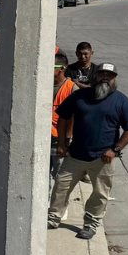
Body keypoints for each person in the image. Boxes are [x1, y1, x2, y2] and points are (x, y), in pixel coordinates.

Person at [48, 63, 128, 239]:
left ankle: (90, 224)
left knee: (100, 194)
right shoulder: (79, 96)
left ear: (114, 79)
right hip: (75, 154)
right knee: (61, 186)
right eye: (102, 74)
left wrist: (115, 149)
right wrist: (61, 143)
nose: (105, 77)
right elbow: (63, 117)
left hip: (103, 158)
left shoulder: (121, 101)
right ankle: (53, 218)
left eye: (109, 75)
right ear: (95, 76)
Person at [51, 52, 77, 191]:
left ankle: (59, 206)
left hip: (60, 139)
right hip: (45, 136)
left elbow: (75, 117)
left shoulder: (72, 88)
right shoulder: (42, 85)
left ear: (62, 68)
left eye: (52, 65)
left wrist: (66, 141)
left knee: (59, 173)